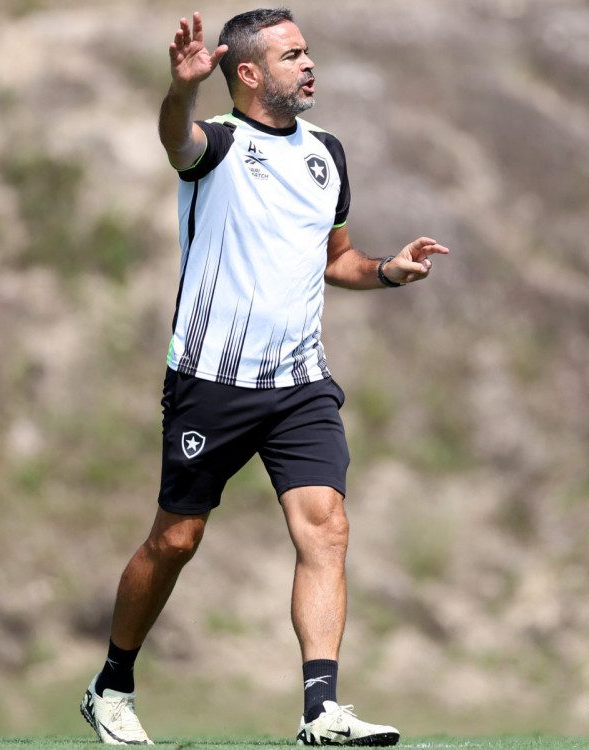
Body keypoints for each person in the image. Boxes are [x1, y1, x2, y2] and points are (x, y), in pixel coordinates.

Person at [79, 8, 449, 746]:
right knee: (175, 541)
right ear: (248, 73)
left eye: (307, 51)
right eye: (291, 55)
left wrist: (386, 270)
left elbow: (332, 259)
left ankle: (321, 711)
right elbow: (173, 137)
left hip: (300, 385)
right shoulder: (215, 145)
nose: (308, 63)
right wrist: (180, 90)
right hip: (212, 382)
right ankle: (111, 686)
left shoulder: (328, 153)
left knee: (327, 528)